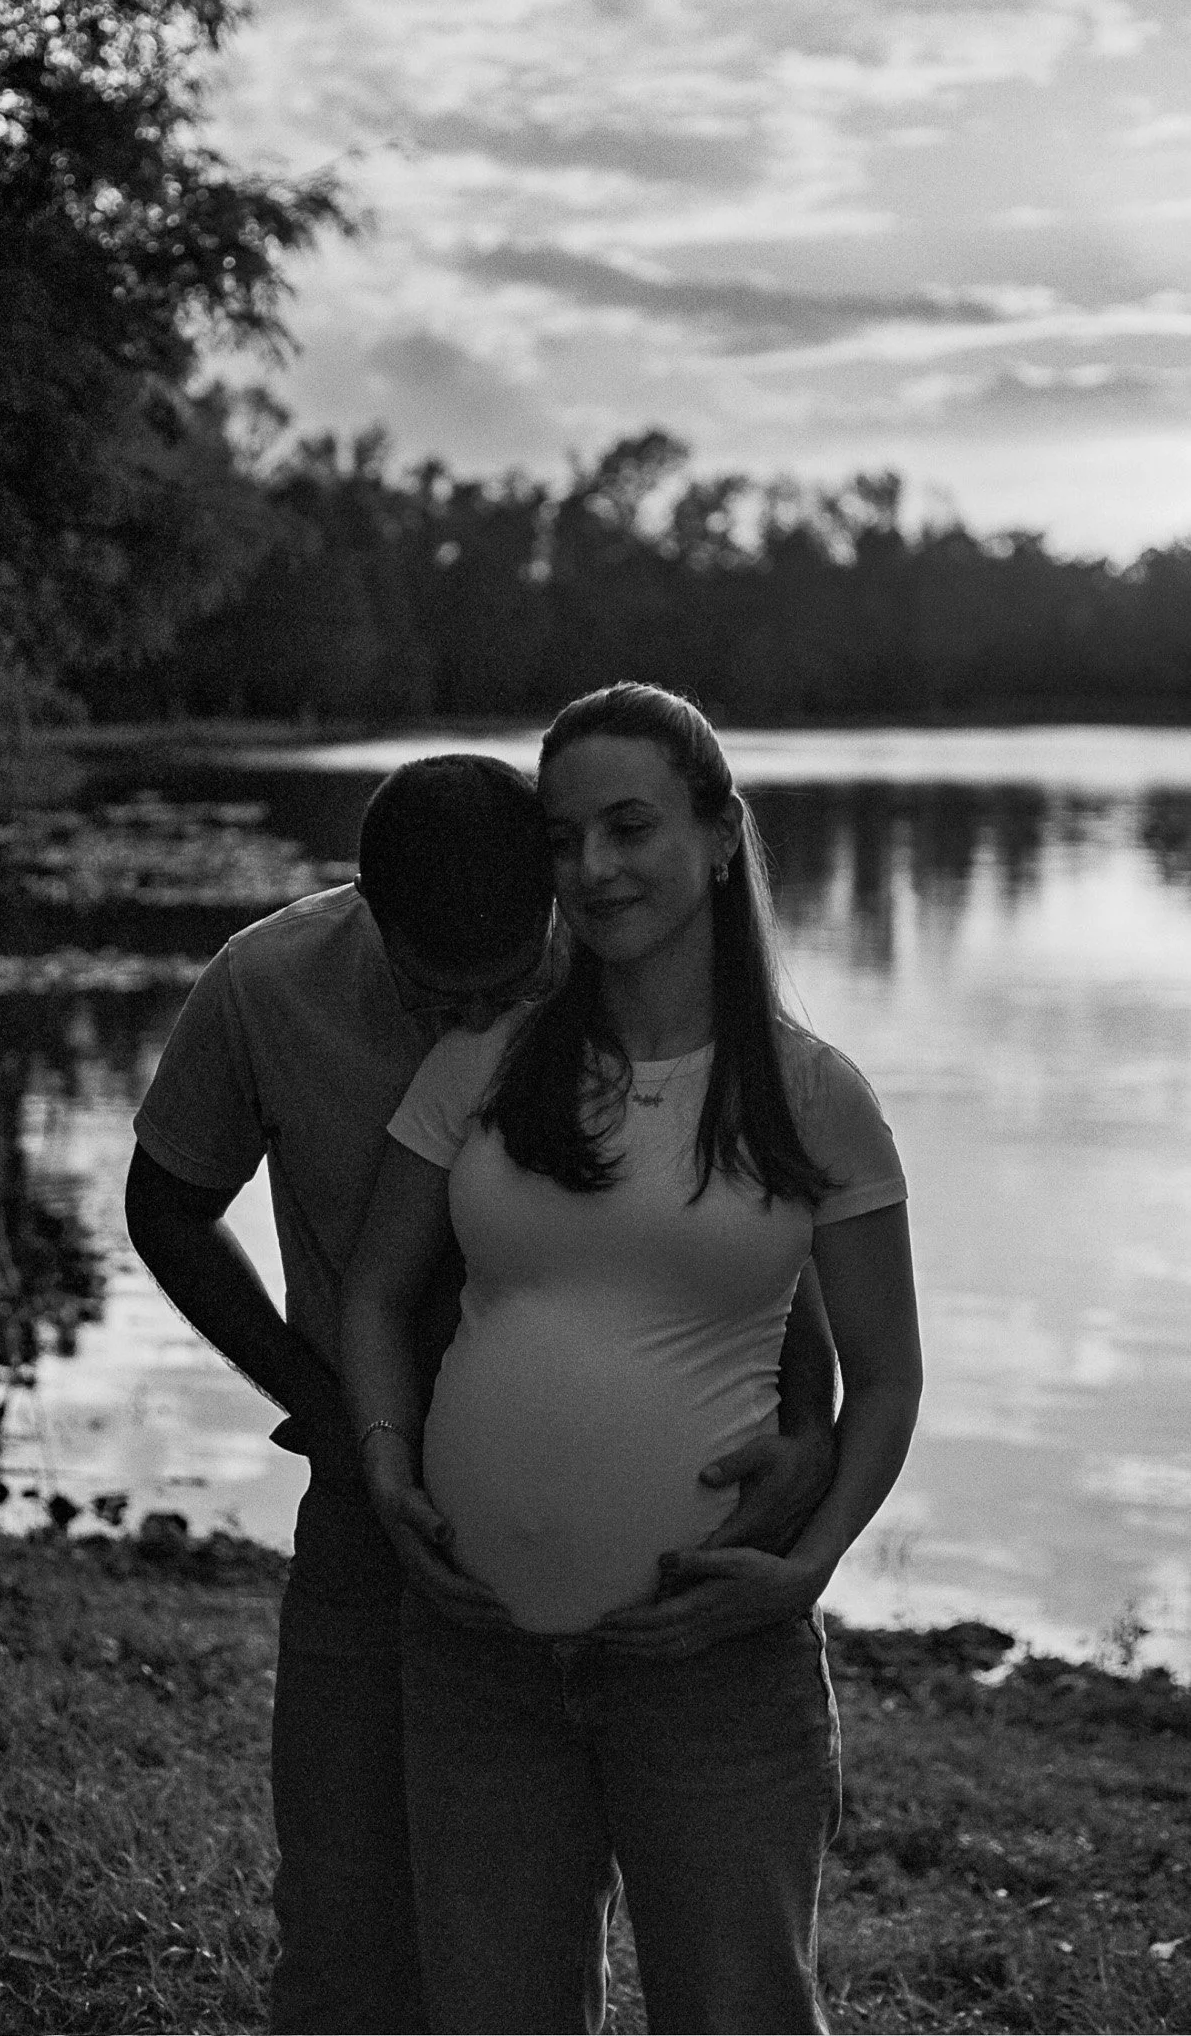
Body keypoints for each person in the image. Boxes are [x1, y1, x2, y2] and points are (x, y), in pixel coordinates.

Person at [124, 751, 839, 2035]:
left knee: (694, 1971)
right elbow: (166, 1202)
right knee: (350, 1950)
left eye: (503, 985)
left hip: (666, 1559)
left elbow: (762, 1208)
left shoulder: (634, 974)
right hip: (375, 1536)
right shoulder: (269, 982)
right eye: (429, 990)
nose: (471, 1023)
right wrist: (330, 1409)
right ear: (367, 908)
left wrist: (806, 1421)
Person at [341, 686, 924, 2035]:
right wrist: (382, 1469)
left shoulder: (811, 1091)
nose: (592, 869)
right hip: (477, 1654)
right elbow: (375, 1297)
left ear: (721, 835)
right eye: (562, 839)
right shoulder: (480, 1061)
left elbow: (885, 1375)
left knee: (736, 2016)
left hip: (709, 1667)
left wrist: (806, 1564)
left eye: (629, 827)